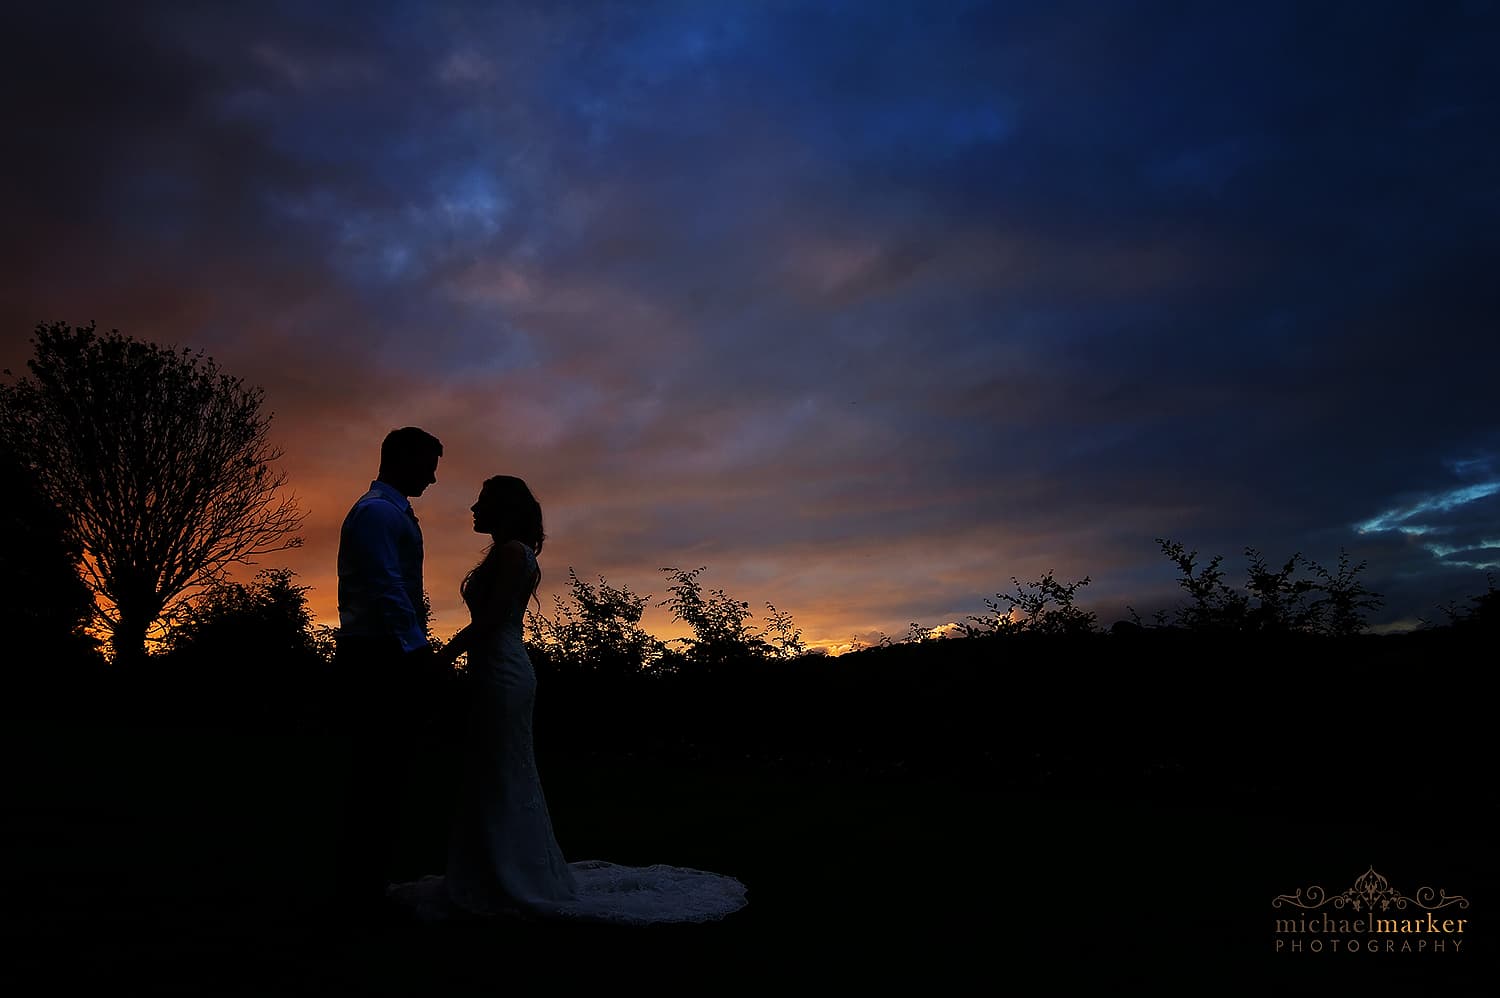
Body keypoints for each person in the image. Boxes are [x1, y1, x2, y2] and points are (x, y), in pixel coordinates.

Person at [387, 475, 747, 924]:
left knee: (499, 770)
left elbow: (495, 618)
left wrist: (443, 657)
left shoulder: (512, 553)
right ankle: (492, 871)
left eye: (482, 502)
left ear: (503, 507)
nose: (473, 509)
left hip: (501, 670)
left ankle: (505, 876)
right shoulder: (513, 552)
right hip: (495, 669)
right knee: (493, 770)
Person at [333, 426, 448, 916]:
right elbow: (386, 585)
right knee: (378, 768)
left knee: (386, 767)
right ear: (401, 459)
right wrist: (415, 648)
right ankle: (362, 885)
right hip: (378, 655)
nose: (434, 477)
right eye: (428, 465)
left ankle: (369, 877)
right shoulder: (379, 514)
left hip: (382, 651)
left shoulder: (387, 511)